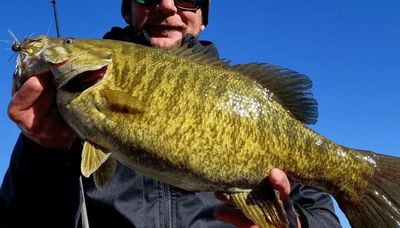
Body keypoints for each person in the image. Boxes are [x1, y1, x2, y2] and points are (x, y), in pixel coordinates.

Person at [1, 0, 341, 227]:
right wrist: (42, 151)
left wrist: (291, 224)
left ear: (203, 18)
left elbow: (322, 215)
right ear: (128, 10)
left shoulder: (249, 100)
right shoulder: (61, 117)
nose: (166, 5)